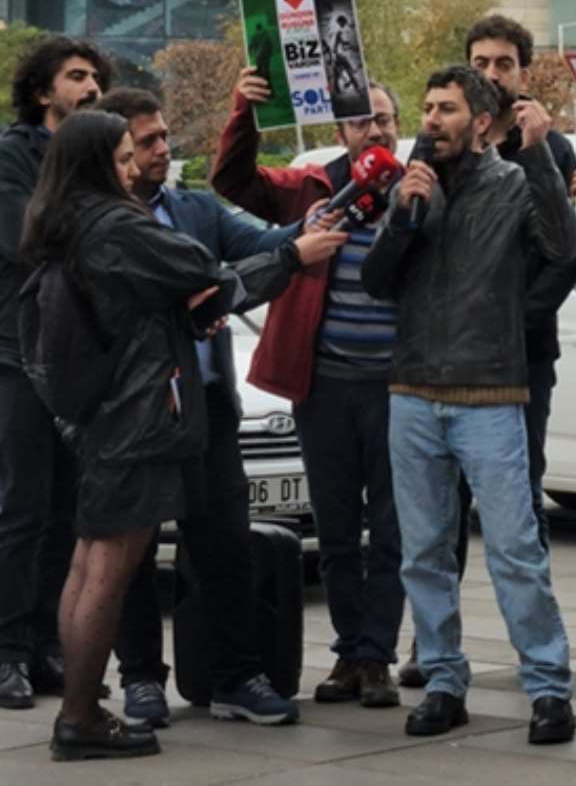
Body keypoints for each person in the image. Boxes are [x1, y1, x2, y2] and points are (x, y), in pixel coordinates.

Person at [19, 110, 309, 761]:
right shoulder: (118, 225)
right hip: (141, 418)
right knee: (111, 571)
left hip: (100, 418)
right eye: (125, 155)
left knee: (88, 562)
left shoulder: (62, 222)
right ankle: (82, 717)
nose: (135, 167)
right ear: (97, 163)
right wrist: (290, 255)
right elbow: (202, 270)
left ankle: (83, 706)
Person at [102, 88, 343, 728]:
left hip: (209, 408)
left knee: (228, 548)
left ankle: (238, 675)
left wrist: (318, 217)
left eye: (162, 137)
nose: (162, 150)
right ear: (116, 150)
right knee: (133, 553)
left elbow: (270, 243)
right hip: (141, 412)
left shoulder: (196, 209)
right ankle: (141, 682)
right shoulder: (102, 224)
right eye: (147, 141)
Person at [361, 66, 576, 745]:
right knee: (422, 551)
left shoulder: (514, 183)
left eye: (446, 109)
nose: (429, 120)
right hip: (413, 392)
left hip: (489, 392)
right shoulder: (412, 185)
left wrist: (540, 154)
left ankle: (548, 688)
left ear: (481, 123)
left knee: (514, 548)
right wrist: (402, 214)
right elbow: (376, 283)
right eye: (426, 107)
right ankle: (445, 681)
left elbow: (564, 249)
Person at [212, 69, 409, 711]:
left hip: (396, 389)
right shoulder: (314, 188)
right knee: (336, 528)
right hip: (321, 387)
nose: (373, 129)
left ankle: (378, 655)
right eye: (360, 120)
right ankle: (349, 653)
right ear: (339, 131)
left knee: (390, 530)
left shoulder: (419, 190)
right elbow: (233, 182)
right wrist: (245, 108)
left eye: (382, 119)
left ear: (397, 128)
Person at [410, 15, 576, 689]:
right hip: (436, 367)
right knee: (434, 520)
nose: (491, 72)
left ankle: (537, 653)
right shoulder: (436, 148)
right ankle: (434, 652)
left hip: (519, 359)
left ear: (523, 73)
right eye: (479, 60)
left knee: (517, 512)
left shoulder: (549, 149)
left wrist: (509, 321)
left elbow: (562, 256)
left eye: (504, 62)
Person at [0, 36, 110, 710]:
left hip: (78, 359)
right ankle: (5, 649)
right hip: (16, 353)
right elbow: (25, 238)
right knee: (21, 507)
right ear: (44, 92)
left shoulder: (94, 162)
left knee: (68, 509)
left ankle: (43, 645)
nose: (91, 86)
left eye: (97, 76)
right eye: (76, 76)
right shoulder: (13, 156)